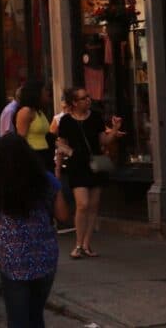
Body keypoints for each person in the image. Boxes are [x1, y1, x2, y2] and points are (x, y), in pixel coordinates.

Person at [0, 133, 70, 328]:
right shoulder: (46, 180)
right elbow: (64, 216)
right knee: (35, 315)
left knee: (18, 319)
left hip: (13, 260)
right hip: (45, 256)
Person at [53, 87, 124, 259]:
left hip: (95, 164)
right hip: (77, 166)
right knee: (82, 204)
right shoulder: (66, 121)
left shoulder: (95, 118)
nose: (88, 100)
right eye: (84, 98)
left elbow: (104, 141)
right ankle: (78, 244)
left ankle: (86, 244)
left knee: (93, 206)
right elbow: (60, 145)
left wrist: (114, 130)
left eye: (88, 97)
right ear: (74, 103)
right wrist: (60, 166)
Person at [15, 81, 53, 171]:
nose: (47, 93)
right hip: (33, 154)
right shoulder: (26, 111)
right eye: (45, 90)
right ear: (37, 93)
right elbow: (21, 139)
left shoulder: (39, 111)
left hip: (44, 153)